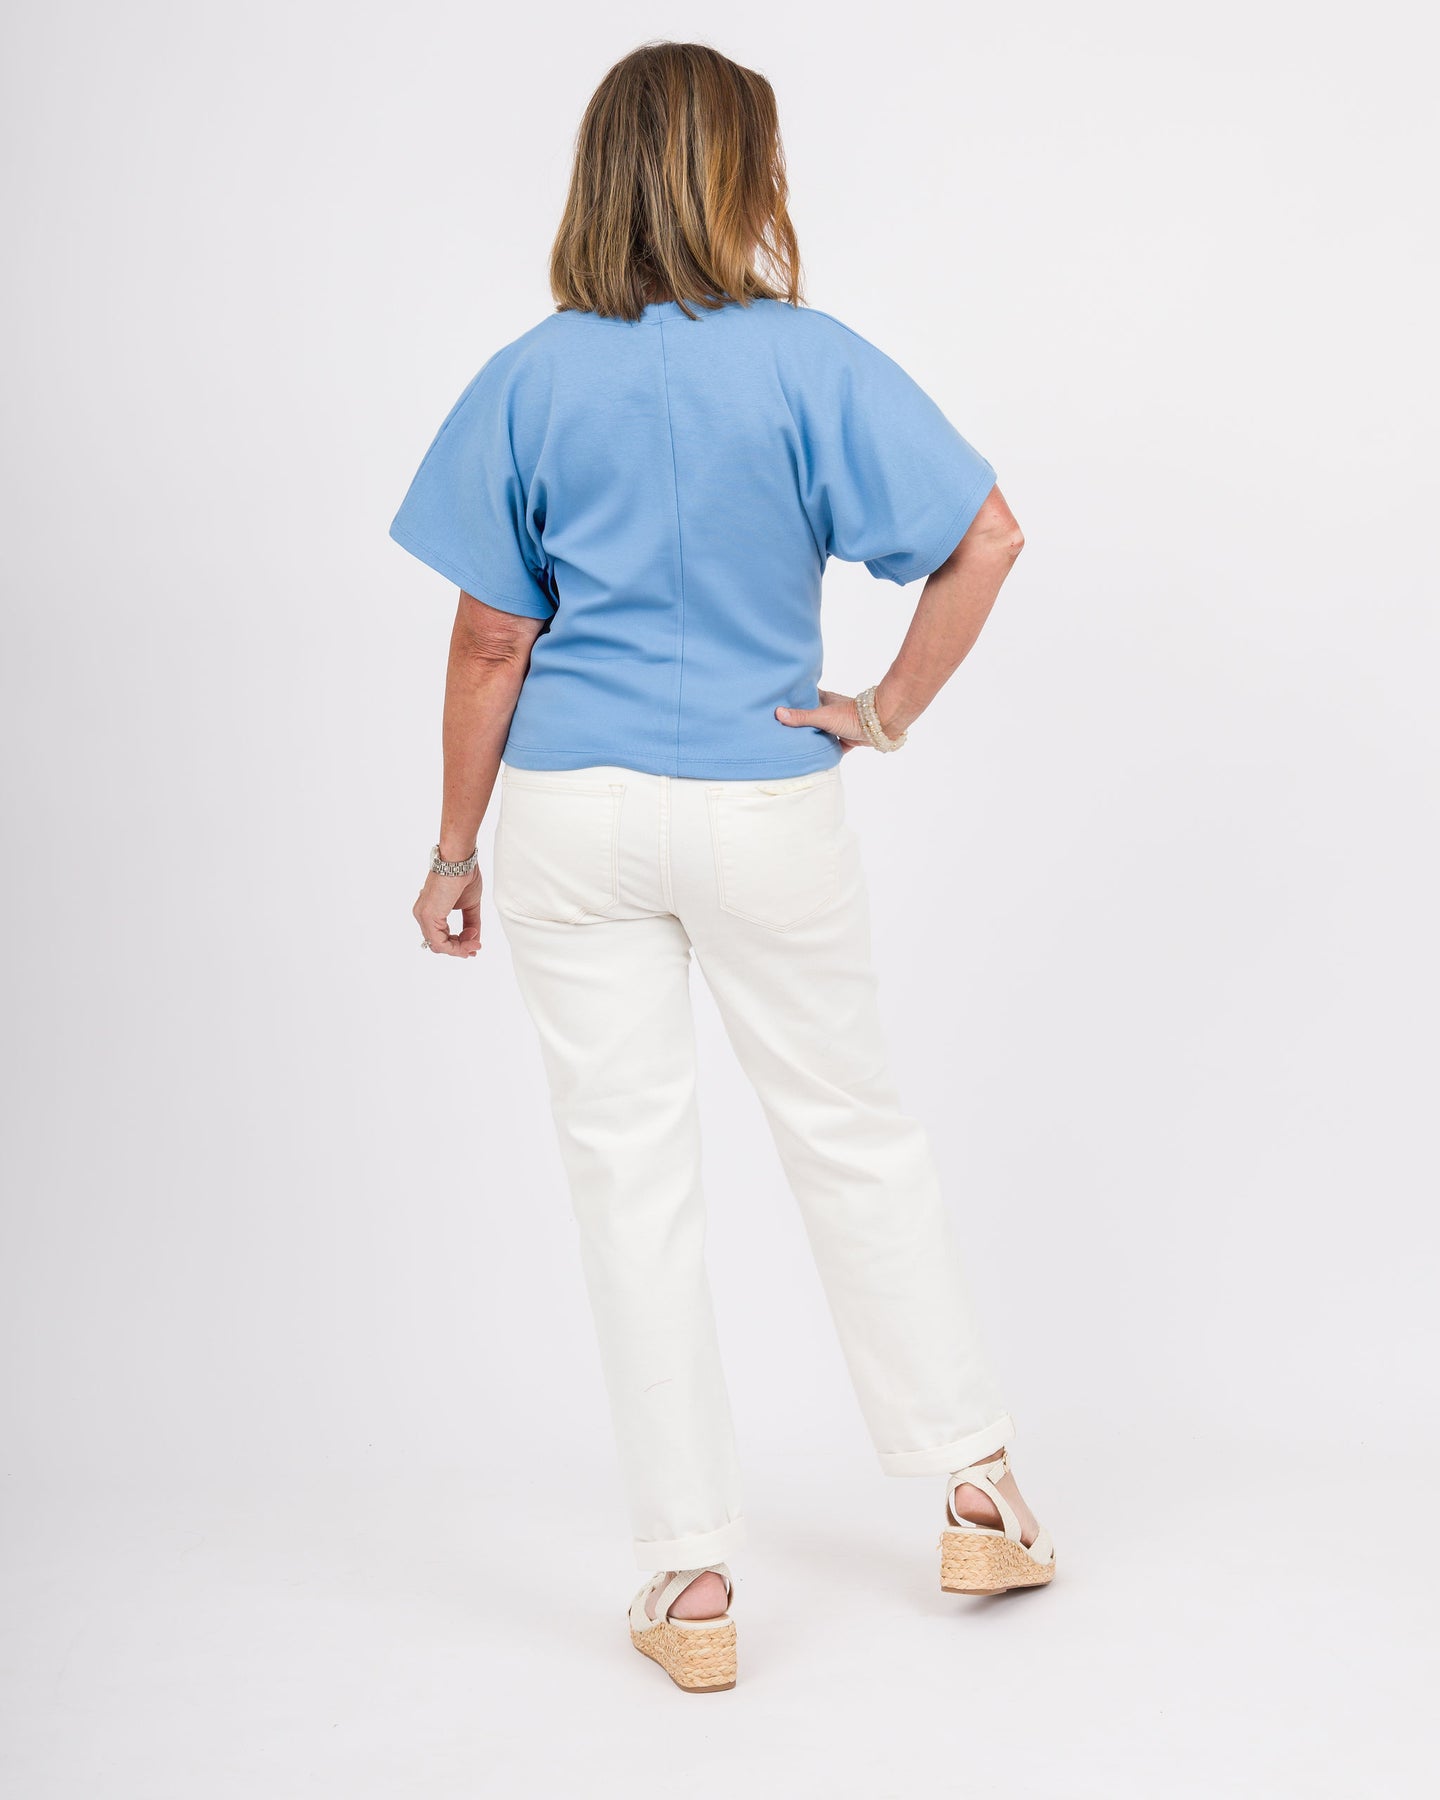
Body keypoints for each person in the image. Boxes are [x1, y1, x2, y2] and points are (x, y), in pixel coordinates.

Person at [390, 40, 1052, 1694]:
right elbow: (986, 536)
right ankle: (977, 1493)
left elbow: (490, 641)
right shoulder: (811, 362)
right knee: (852, 1133)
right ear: (743, 176)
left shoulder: (532, 378)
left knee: (633, 1179)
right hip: (767, 805)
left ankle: (689, 1585)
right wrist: (880, 713)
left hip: (573, 817)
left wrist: (454, 848)